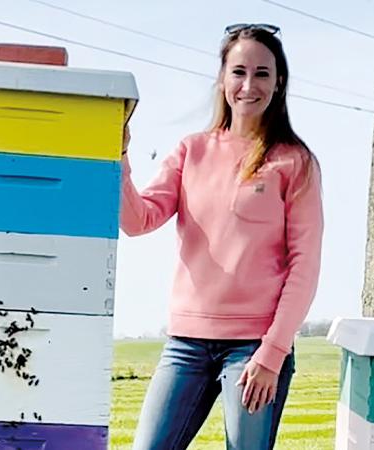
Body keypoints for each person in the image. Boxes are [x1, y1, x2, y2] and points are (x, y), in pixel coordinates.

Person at [120, 22, 325, 450]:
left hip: (254, 349)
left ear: (279, 82)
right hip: (186, 346)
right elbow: (138, 220)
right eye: (239, 72)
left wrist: (272, 355)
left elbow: (305, 266)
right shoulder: (190, 150)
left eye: (262, 73)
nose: (249, 85)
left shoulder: (295, 162)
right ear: (221, 78)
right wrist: (118, 155)